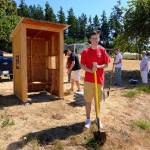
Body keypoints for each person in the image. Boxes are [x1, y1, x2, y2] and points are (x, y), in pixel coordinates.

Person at [80, 30, 110, 128]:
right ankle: (88, 119)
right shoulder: (85, 51)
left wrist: (99, 67)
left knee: (98, 101)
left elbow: (106, 64)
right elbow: (82, 65)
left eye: (96, 38)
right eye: (93, 38)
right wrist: (90, 70)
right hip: (88, 81)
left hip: (99, 81)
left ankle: (98, 119)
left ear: (99, 39)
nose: (95, 40)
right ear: (90, 40)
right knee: (88, 101)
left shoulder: (102, 50)